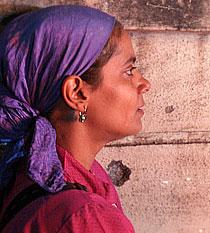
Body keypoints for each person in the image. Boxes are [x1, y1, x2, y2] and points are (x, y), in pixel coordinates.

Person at [0, 5, 150, 233]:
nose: (144, 84)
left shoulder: (28, 170)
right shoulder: (85, 217)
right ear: (77, 94)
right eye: (128, 71)